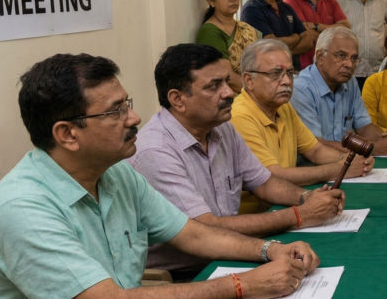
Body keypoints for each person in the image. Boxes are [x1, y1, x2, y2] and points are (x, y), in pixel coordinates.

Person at [0, 53, 319, 299]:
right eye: (116, 111)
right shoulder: (24, 208)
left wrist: (270, 250)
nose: (134, 117)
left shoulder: (116, 174)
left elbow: (194, 234)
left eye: (127, 103)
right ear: (68, 134)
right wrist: (244, 285)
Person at [128, 44, 344, 280]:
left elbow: (264, 183)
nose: (229, 92)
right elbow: (205, 230)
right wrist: (300, 214)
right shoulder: (155, 151)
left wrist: (306, 198)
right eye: (214, 86)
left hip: (228, 255)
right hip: (185, 274)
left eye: (226, 82)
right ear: (177, 99)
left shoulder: (222, 128)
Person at [230, 38, 373, 214]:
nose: (287, 82)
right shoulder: (240, 116)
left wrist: (350, 161)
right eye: (275, 74)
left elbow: (315, 150)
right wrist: (339, 168)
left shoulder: (283, 107)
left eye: (289, 73)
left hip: (285, 205)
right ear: (249, 80)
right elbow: (273, 176)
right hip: (256, 218)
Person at [291, 27, 387, 156]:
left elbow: (364, 127)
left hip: (345, 160)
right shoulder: (301, 89)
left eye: (354, 58)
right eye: (341, 56)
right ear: (320, 56)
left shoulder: (349, 82)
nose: (349, 65)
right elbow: (315, 144)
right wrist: (373, 148)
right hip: (311, 165)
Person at [239, 0, 316, 72]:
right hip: (269, 77)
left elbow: (308, 42)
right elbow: (271, 46)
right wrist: (296, 37)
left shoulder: (286, 7)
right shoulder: (251, 9)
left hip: (294, 74)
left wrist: (281, 50)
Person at [195, 0, 262, 94]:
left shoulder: (245, 28)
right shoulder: (210, 31)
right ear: (211, 1)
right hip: (231, 98)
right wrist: (260, 92)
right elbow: (227, 77)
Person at [283, 0, 351, 71]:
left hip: (331, 68)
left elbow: (345, 28)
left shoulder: (330, 0)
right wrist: (334, 35)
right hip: (304, 69)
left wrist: (316, 26)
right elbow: (306, 35)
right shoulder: (290, 2)